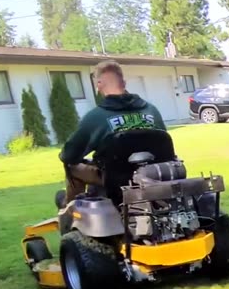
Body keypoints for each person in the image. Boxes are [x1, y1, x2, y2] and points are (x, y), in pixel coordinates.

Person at [58, 60, 167, 202]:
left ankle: (69, 212)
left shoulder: (95, 117)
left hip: (115, 179)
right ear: (124, 83)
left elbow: (69, 155)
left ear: (99, 85)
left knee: (72, 166)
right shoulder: (152, 111)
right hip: (154, 175)